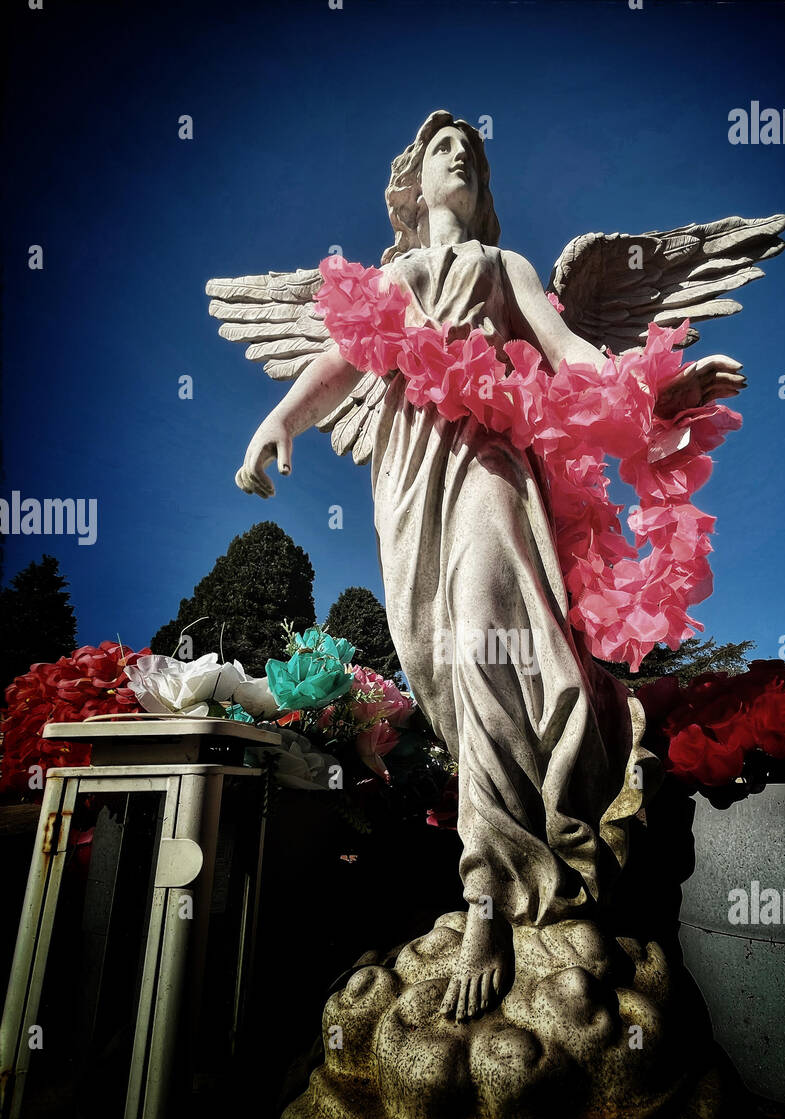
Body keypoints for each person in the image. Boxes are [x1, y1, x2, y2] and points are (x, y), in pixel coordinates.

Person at [235, 111, 745, 1022]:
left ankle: (488, 896)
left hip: (485, 459)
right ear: (412, 184)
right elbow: (340, 360)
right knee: (437, 659)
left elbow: (569, 353)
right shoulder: (388, 278)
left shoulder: (503, 269)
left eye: (471, 147)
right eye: (440, 148)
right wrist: (279, 421)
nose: (459, 155)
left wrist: (657, 388)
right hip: (406, 472)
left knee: (487, 644)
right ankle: (507, 864)